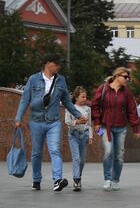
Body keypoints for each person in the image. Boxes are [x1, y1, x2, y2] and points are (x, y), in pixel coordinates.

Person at [14, 54, 86, 192]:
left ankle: (57, 180)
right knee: (36, 153)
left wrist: (78, 115)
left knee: (55, 150)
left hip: (54, 121)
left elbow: (66, 101)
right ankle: (36, 180)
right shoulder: (34, 79)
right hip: (36, 121)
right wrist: (18, 118)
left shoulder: (61, 80)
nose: (59, 66)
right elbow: (24, 100)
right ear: (47, 64)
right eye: (57, 63)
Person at [92, 67, 140, 191]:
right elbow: (95, 105)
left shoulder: (127, 93)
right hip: (105, 127)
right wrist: (96, 122)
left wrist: (135, 128)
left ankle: (115, 180)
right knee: (108, 151)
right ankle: (107, 179)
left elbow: (132, 111)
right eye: (125, 77)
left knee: (119, 155)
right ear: (117, 76)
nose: (127, 79)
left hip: (121, 128)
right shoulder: (103, 89)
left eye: (128, 77)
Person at [65, 86, 93, 191]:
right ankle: (76, 180)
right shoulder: (70, 108)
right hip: (73, 135)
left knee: (82, 160)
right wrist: (77, 122)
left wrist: (90, 136)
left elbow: (89, 124)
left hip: (84, 135)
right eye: (83, 97)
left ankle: (79, 176)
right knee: (76, 158)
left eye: (86, 97)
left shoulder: (88, 109)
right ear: (76, 97)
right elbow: (67, 121)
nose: (85, 99)